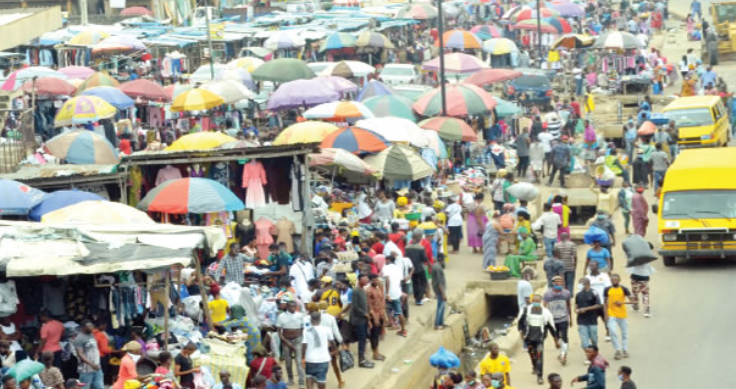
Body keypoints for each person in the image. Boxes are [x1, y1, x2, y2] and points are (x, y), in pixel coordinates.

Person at [518, 294, 559, 385]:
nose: (536, 303)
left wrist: (555, 340)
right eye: (534, 301)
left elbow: (551, 326)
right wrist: (521, 333)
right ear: (532, 301)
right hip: (528, 338)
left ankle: (539, 376)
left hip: (540, 339)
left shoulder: (546, 312)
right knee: (532, 354)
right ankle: (534, 366)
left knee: (539, 357)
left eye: (538, 301)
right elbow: (520, 322)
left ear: (540, 302)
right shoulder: (525, 310)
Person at [302, 312, 335, 389]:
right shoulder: (327, 329)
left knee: (309, 376)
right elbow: (332, 342)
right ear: (320, 319)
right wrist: (334, 351)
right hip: (323, 360)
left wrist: (303, 358)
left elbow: (304, 345)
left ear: (310, 319)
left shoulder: (306, 330)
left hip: (310, 359)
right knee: (321, 380)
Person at [543, 276, 572, 365]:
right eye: (557, 281)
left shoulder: (566, 293)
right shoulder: (547, 294)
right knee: (557, 337)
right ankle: (556, 341)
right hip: (552, 320)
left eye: (561, 281)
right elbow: (544, 307)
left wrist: (570, 318)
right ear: (553, 283)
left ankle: (564, 356)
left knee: (564, 337)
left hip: (563, 318)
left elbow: (568, 305)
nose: (559, 283)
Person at [604, 274, 634, 360]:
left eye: (615, 280)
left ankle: (624, 349)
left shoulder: (624, 289)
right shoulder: (607, 289)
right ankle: (617, 350)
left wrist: (622, 303)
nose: (613, 281)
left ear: (619, 280)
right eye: (612, 280)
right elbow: (605, 302)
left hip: (622, 314)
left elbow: (633, 301)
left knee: (624, 333)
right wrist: (606, 314)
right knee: (613, 331)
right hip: (611, 313)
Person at [277, 300, 305, 387]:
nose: (293, 308)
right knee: (288, 362)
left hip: (297, 340)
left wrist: (301, 340)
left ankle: (301, 382)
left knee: (299, 362)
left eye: (294, 306)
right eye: (291, 306)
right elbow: (279, 332)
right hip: (286, 340)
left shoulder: (300, 315)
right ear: (287, 307)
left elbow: (302, 329)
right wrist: (287, 342)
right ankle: (290, 379)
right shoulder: (281, 316)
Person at [349, 274, 374, 368]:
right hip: (358, 319)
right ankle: (361, 360)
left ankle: (362, 359)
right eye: (365, 279)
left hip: (363, 319)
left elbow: (364, 305)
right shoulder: (356, 291)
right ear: (359, 280)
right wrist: (365, 314)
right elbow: (355, 307)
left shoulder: (363, 290)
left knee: (363, 339)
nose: (367, 281)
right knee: (362, 339)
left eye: (367, 279)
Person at [381, 254, 408, 337]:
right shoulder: (398, 268)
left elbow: (387, 279)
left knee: (385, 308)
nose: (385, 261)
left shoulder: (386, 267)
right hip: (397, 292)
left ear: (388, 260)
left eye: (386, 260)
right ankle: (402, 329)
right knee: (398, 311)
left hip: (389, 293)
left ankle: (392, 325)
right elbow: (400, 281)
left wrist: (388, 294)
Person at [575, 277, 602, 351]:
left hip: (592, 320)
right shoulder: (578, 294)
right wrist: (578, 311)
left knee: (594, 340)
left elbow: (598, 305)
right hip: (581, 321)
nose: (579, 286)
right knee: (584, 342)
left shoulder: (594, 293)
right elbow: (576, 308)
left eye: (581, 284)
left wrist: (586, 309)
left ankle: (595, 354)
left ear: (587, 284)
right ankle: (588, 357)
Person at [73, 320, 103, 389]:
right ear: (83, 327)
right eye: (89, 326)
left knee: (99, 386)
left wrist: (96, 365)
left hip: (97, 368)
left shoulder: (91, 335)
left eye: (92, 326)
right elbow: (80, 354)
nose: (92, 327)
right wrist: (92, 364)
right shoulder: (79, 339)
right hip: (86, 370)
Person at [405, 231, 429, 305]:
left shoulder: (407, 247)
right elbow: (424, 259)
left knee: (415, 283)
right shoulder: (421, 248)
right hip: (419, 268)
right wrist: (429, 263)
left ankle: (416, 298)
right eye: (420, 237)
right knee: (423, 282)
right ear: (418, 238)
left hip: (411, 269)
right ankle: (419, 298)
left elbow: (406, 257)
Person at [366, 274, 386, 362]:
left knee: (378, 334)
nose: (376, 281)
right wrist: (374, 318)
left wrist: (384, 315)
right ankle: (375, 353)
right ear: (371, 280)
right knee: (374, 335)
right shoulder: (368, 291)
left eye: (377, 280)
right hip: (374, 316)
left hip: (381, 313)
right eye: (374, 280)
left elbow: (382, 302)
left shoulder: (379, 288)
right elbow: (369, 306)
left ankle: (377, 352)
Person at [431, 254, 448, 330]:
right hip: (440, 290)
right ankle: (437, 324)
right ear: (441, 259)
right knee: (440, 307)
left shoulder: (435, 266)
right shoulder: (438, 268)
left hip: (438, 289)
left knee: (442, 306)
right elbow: (439, 283)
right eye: (444, 259)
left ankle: (441, 322)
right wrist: (443, 294)